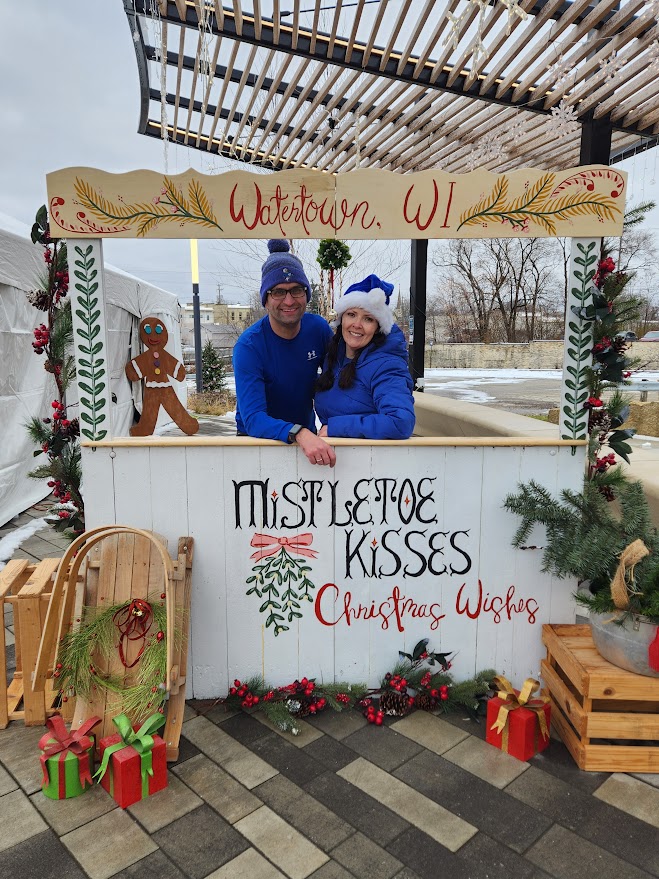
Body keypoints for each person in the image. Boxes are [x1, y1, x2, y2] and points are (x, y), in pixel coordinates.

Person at [233, 239, 336, 466]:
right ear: (266, 300)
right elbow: (253, 418)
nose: (289, 301)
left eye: (296, 290)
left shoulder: (318, 329)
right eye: (278, 292)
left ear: (306, 295)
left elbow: (339, 379)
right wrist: (299, 432)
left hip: (308, 441)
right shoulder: (249, 347)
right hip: (258, 441)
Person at [315, 275, 415, 439]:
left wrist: (337, 428)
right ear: (341, 319)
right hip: (333, 455)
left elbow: (400, 422)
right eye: (352, 314)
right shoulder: (334, 356)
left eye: (368, 318)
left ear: (377, 327)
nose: (357, 324)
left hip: (370, 460)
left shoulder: (386, 365)